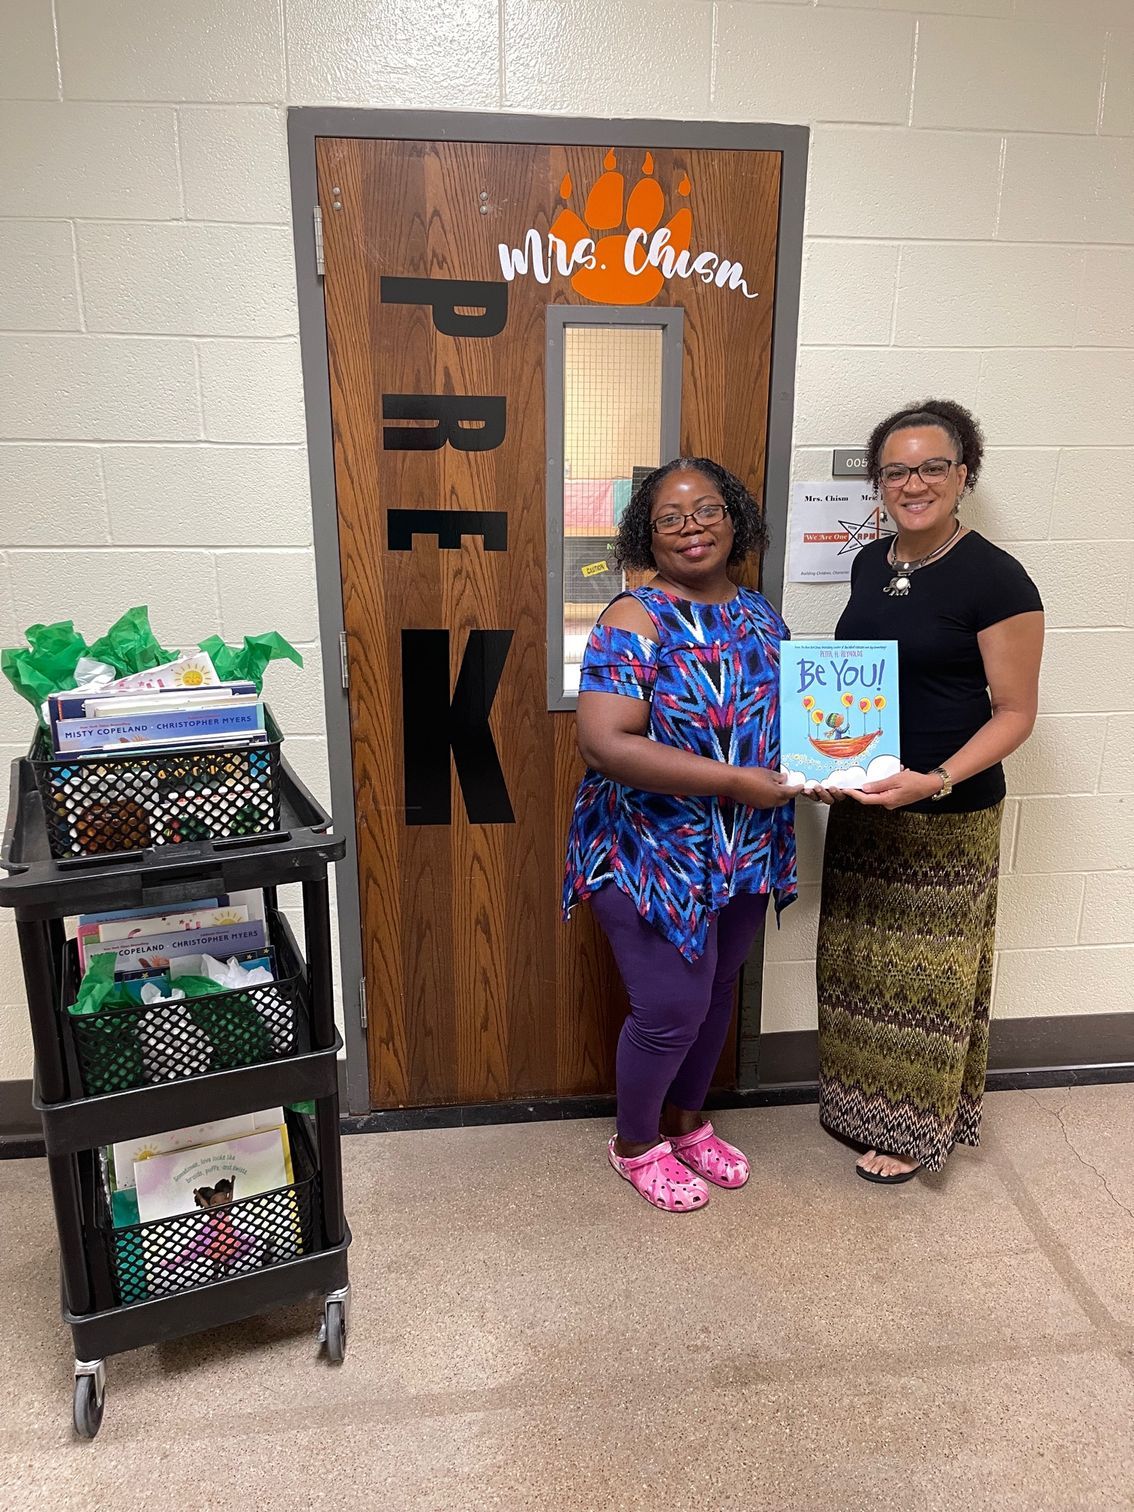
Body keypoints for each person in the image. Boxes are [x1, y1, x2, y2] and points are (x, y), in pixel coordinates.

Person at [807, 400, 1044, 1184]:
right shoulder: (872, 563)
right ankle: (857, 1105)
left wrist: (935, 781)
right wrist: (826, 763)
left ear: (963, 473)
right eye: (896, 470)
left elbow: (1016, 714)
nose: (914, 483)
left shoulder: (997, 578)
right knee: (860, 964)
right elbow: (859, 684)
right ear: (879, 482)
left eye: (931, 466)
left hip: (945, 812)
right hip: (870, 806)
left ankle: (914, 1129)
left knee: (927, 978)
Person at [562, 458, 799, 1212]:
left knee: (719, 992)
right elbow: (605, 743)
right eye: (670, 517)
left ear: (735, 520)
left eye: (706, 511)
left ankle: (689, 1124)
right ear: (647, 533)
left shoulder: (762, 613)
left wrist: (841, 763)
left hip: (742, 846)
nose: (692, 527)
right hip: (647, 852)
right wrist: (735, 779)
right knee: (671, 1010)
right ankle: (635, 1144)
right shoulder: (634, 617)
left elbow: (783, 721)